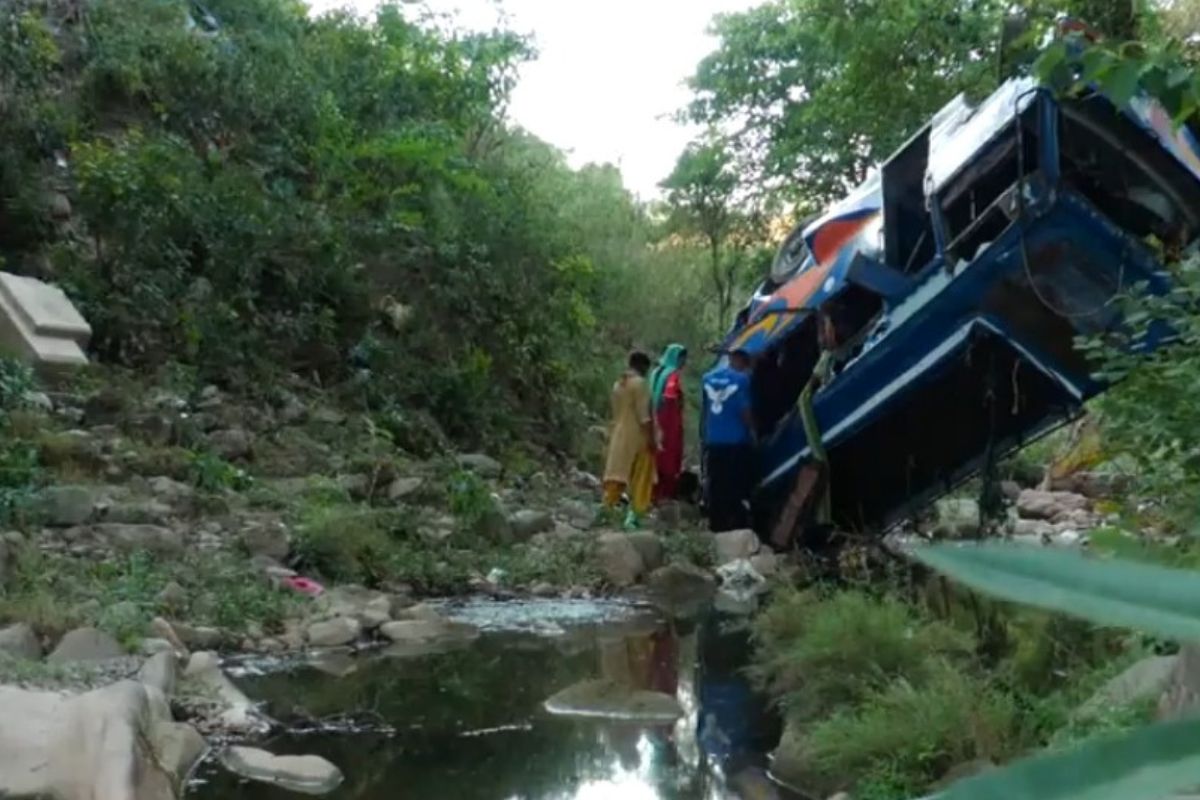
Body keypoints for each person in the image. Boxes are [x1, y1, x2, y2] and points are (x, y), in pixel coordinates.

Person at [701, 349, 756, 531]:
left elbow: (705, 411)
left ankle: (716, 523)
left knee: (716, 483)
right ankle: (735, 524)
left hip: (713, 439)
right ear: (740, 359)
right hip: (736, 441)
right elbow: (745, 411)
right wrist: (754, 431)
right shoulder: (741, 380)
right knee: (735, 484)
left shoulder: (707, 378)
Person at [603, 350, 657, 529]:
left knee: (617, 474)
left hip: (619, 432)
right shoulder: (640, 384)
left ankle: (607, 508)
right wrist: (652, 439)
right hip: (637, 436)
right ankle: (636, 513)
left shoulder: (618, 384)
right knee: (642, 475)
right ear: (643, 367)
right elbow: (644, 417)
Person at [649, 344, 688, 502]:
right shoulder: (672, 375)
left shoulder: (655, 373)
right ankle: (665, 494)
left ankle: (650, 492)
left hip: (652, 418)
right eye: (682, 358)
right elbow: (670, 397)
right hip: (668, 422)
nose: (684, 362)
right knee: (668, 455)